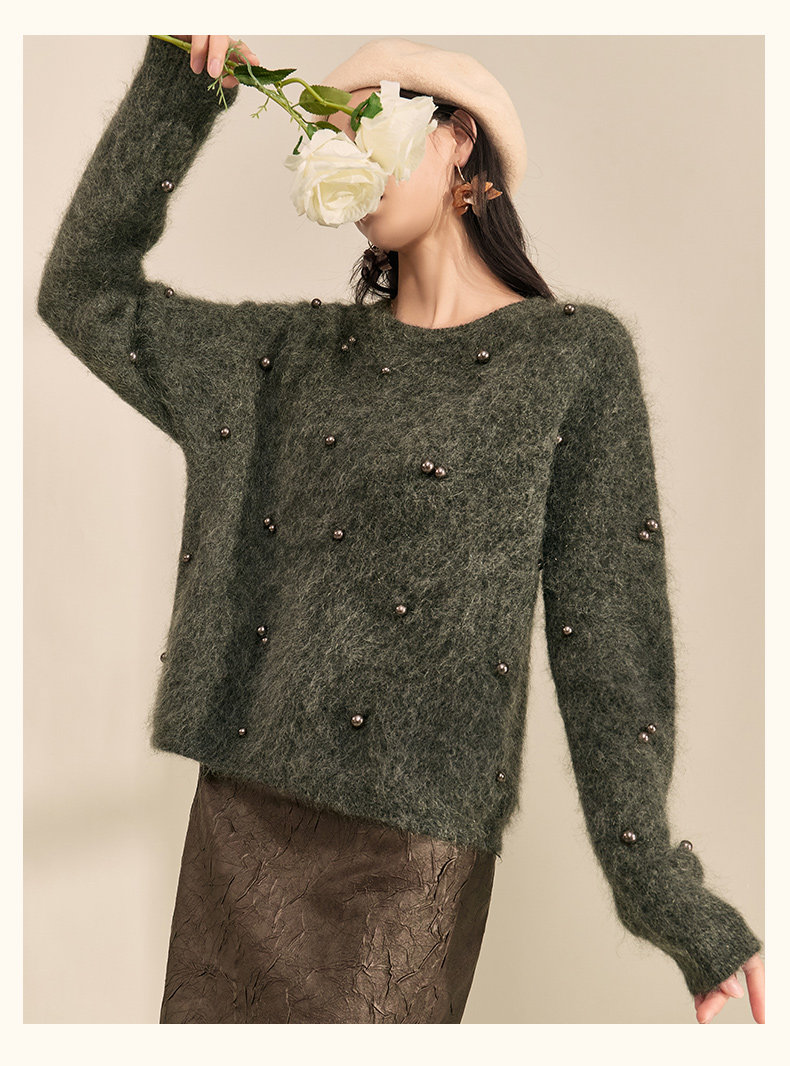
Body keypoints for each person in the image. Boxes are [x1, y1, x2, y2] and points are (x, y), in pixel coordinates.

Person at [36, 34, 765, 1024]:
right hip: (241, 824)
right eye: (325, 135)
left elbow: (609, 636)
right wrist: (180, 88)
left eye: (365, 122)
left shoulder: (571, 359)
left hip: (414, 844)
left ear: (458, 139)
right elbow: (82, 290)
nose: (344, 150)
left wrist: (663, 892)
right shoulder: (283, 357)